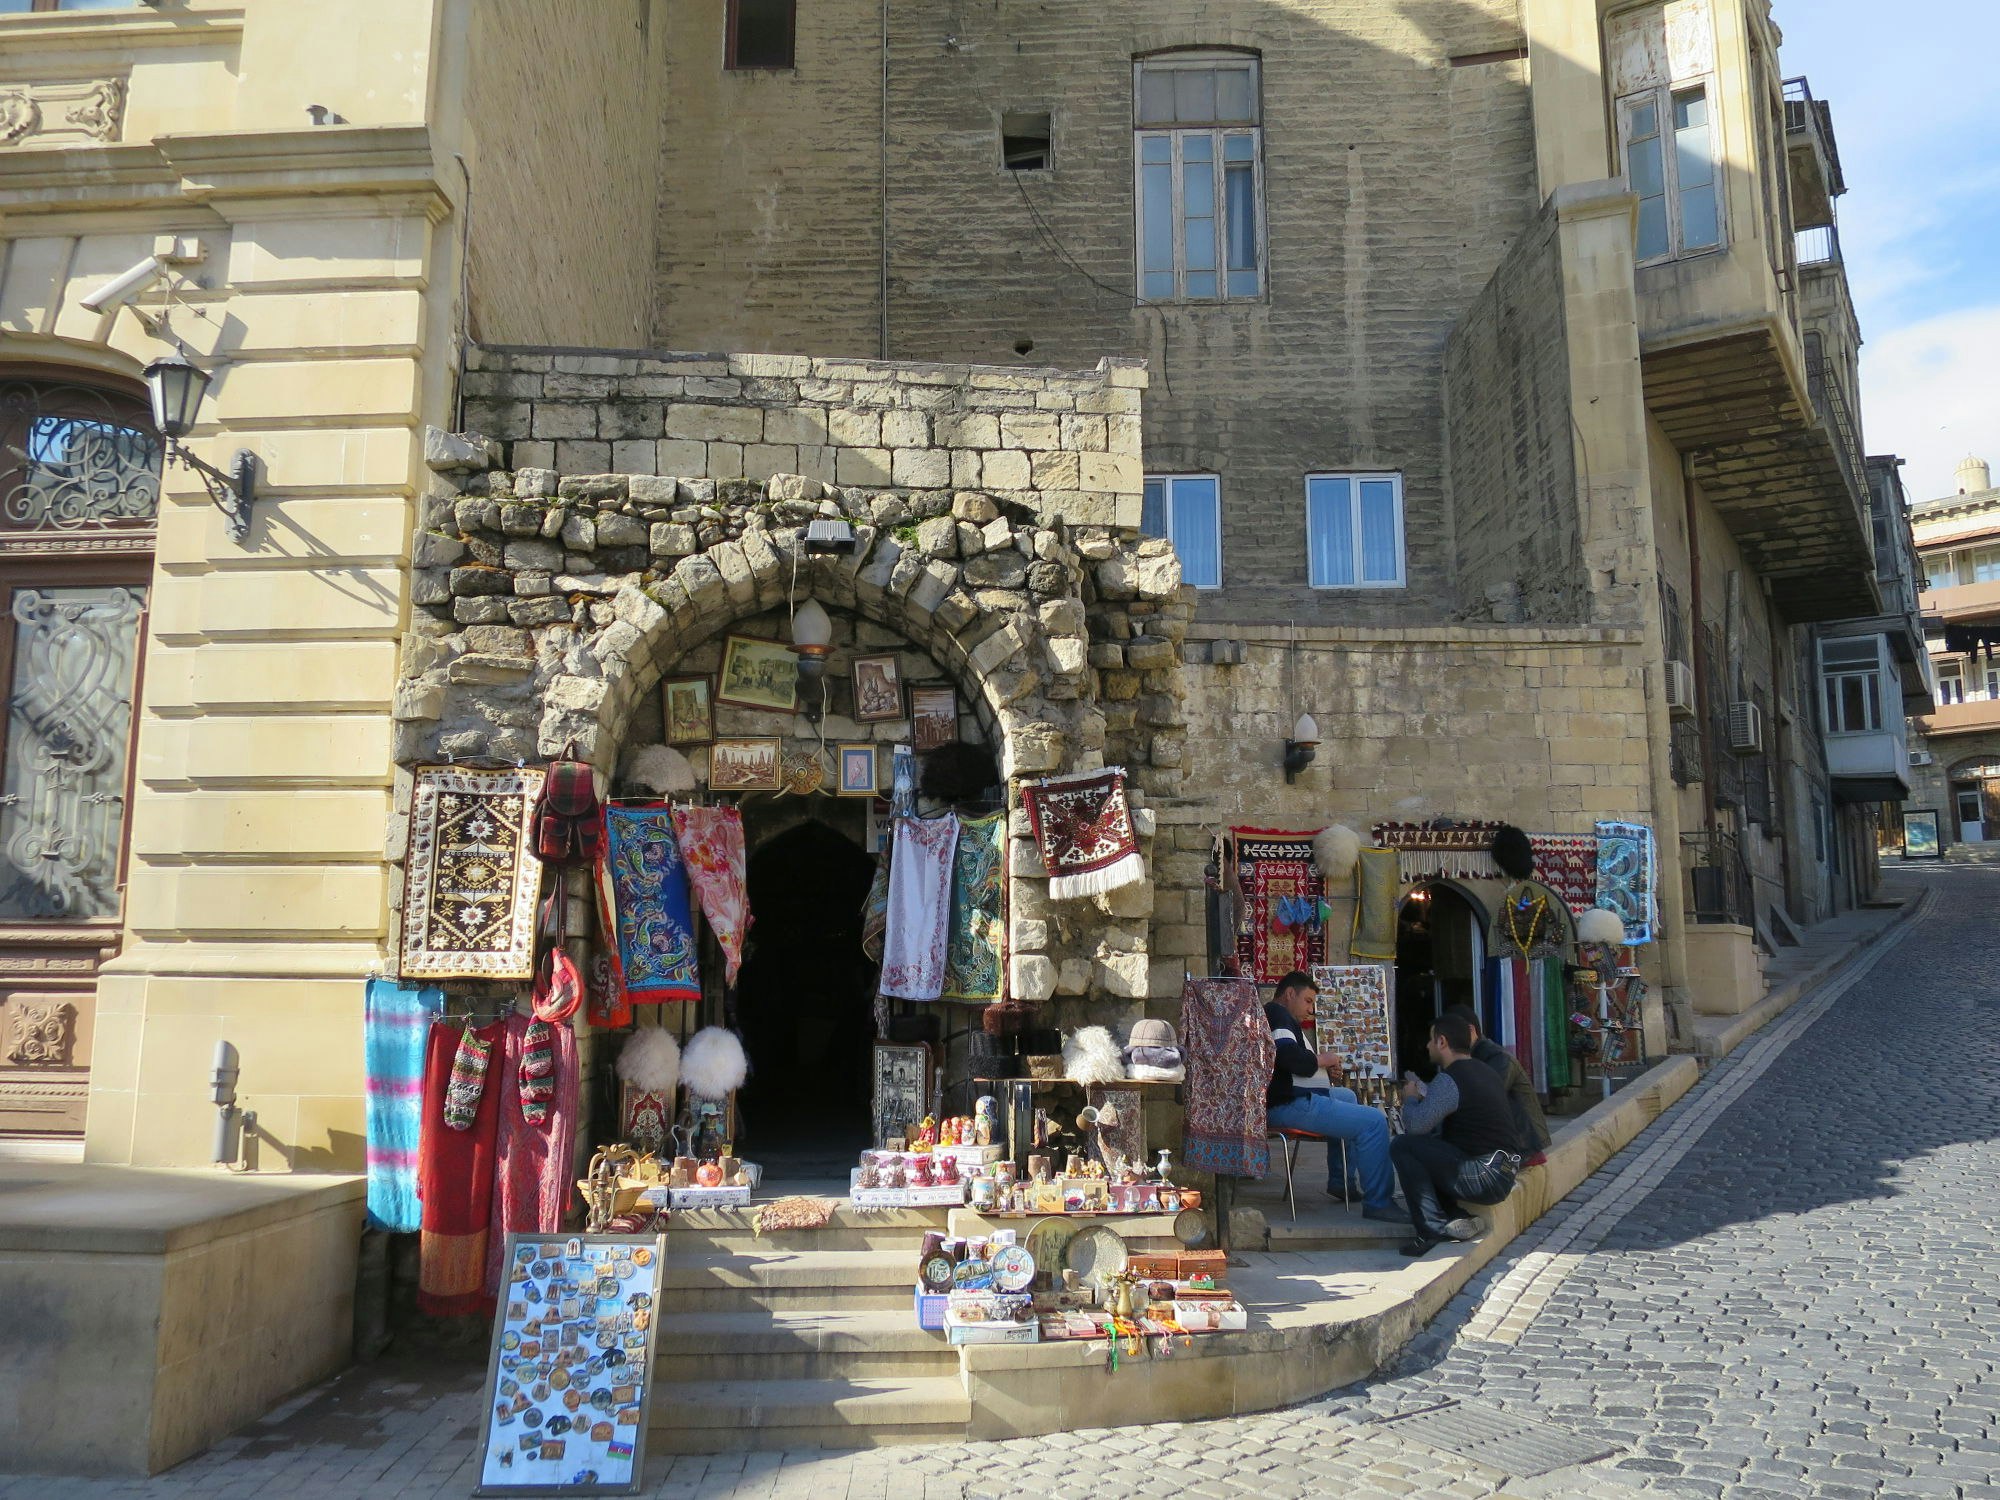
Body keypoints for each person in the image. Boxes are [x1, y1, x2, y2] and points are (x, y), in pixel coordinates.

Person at [1263, 971, 1400, 1221]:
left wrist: (1324, 1071)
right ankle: (1379, 1202)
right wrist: (1321, 1060)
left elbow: (1293, 1062)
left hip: (1291, 1097)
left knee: (1346, 1095)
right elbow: (1289, 1058)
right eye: (1308, 1001)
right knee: (1375, 1122)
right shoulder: (1277, 1014)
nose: (1311, 1009)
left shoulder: (1279, 1017)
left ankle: (1341, 1181)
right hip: (1289, 1103)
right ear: (1290, 994)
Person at [1388, 1013, 1524, 1256]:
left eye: (1431, 1040)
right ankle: (1457, 1217)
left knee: (1404, 1146)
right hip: (1502, 1171)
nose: (1427, 1046)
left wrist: (1409, 1099)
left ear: (1442, 1042)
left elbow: (1416, 1125)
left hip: (1485, 1174)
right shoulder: (1484, 1070)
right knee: (1431, 1148)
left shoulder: (1450, 1078)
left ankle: (1430, 1229)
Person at [1442, 1004, 1551, 1164]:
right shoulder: (1472, 1058)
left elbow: (1483, 1103)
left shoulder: (1498, 1058)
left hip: (1526, 1144)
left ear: (1470, 1031)